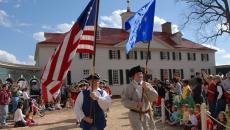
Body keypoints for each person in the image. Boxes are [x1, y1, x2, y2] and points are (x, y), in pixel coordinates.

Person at [121, 65, 158, 130]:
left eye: (141, 73)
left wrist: (147, 89)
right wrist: (136, 104)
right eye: (138, 74)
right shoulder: (128, 87)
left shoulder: (147, 85)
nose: (140, 75)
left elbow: (154, 97)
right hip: (135, 114)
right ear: (133, 76)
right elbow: (124, 101)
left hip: (147, 114)